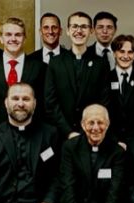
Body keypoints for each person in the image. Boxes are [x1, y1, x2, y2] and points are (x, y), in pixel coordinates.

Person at [44, 11, 110, 139]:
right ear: (68, 31)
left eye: (84, 27)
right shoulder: (55, 63)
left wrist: (87, 128)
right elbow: (50, 103)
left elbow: (104, 102)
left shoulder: (101, 64)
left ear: (91, 31)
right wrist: (68, 132)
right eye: (74, 26)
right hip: (61, 135)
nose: (79, 31)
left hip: (91, 134)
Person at [0, 17, 46, 130]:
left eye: (18, 35)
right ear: (1, 38)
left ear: (24, 38)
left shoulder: (40, 67)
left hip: (32, 131)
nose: (13, 39)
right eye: (8, 34)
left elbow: (44, 105)